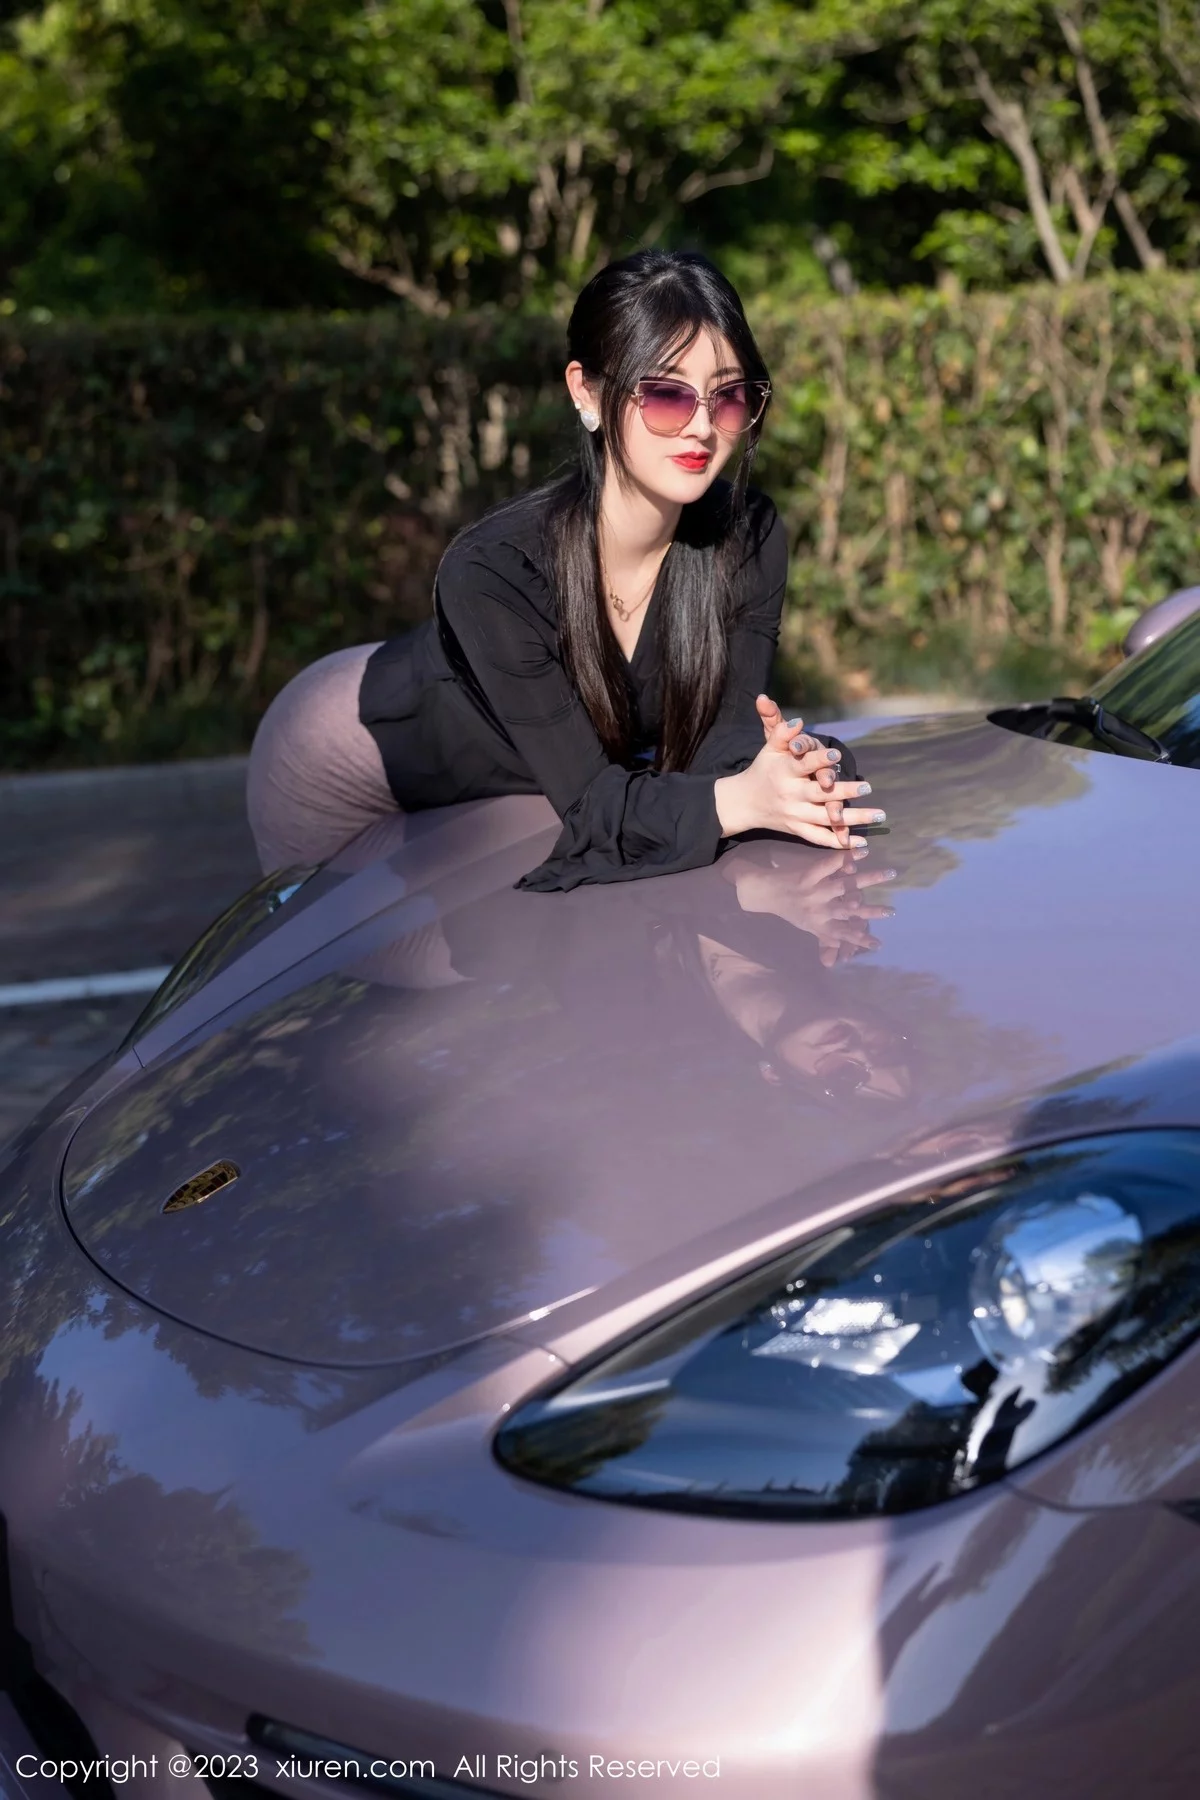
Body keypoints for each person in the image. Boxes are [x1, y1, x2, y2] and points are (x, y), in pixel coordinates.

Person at [247, 248, 884, 889]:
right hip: (339, 768)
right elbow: (596, 812)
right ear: (586, 391)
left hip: (519, 778)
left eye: (727, 397)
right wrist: (741, 798)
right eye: (666, 395)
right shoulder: (494, 568)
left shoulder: (747, 533)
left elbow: (726, 747)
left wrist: (797, 769)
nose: (701, 427)